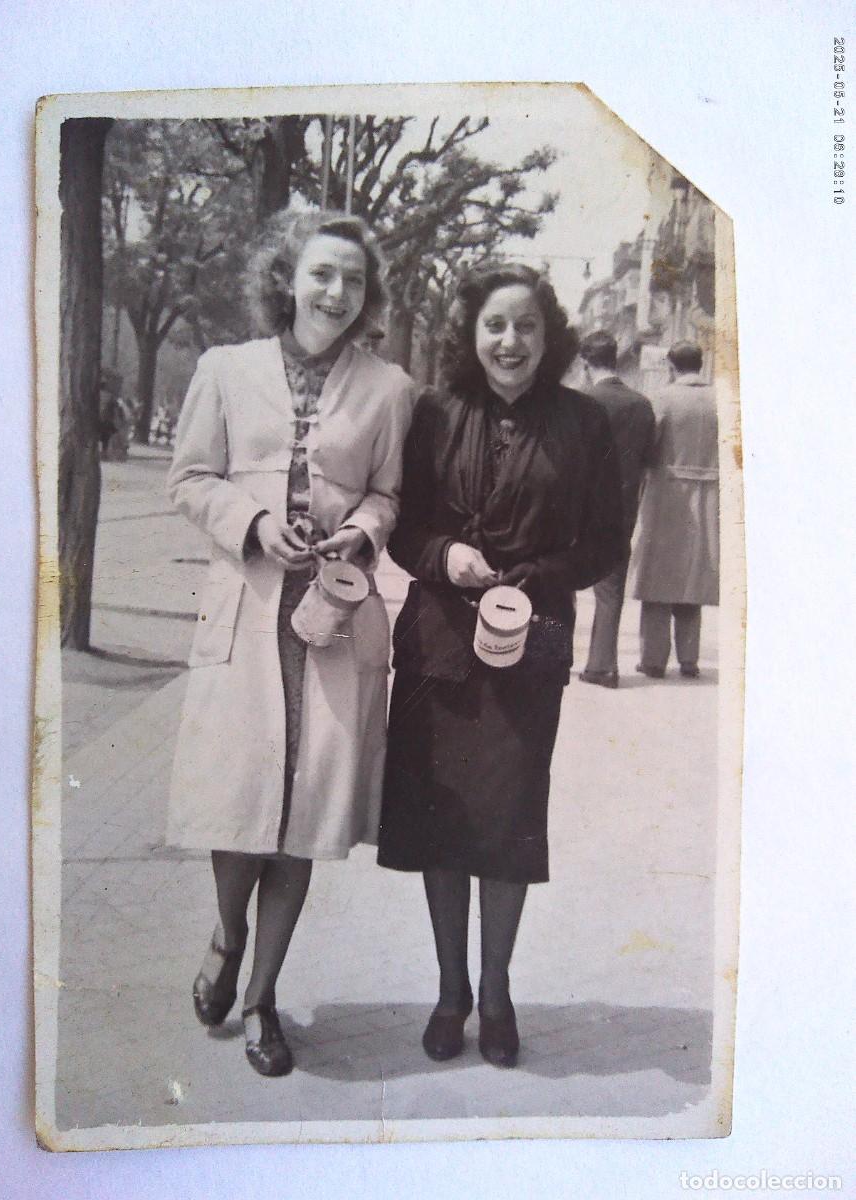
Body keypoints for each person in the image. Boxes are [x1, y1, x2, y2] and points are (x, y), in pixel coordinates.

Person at [166, 209, 414, 1076]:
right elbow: (190, 478)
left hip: (334, 621)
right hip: (245, 609)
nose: (336, 293)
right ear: (287, 278)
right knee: (238, 802)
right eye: (321, 274)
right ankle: (228, 936)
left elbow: (389, 495)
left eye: (352, 279)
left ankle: (265, 996)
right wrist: (254, 519)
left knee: (304, 816)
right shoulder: (225, 370)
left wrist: (363, 533)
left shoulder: (389, 388)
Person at [377, 264, 624, 1068]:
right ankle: (449, 992)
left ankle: (496, 991)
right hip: (438, 642)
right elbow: (403, 527)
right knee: (443, 824)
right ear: (471, 333)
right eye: (494, 325)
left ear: (548, 337)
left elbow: (606, 545)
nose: (509, 341)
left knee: (509, 820)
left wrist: (540, 575)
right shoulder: (435, 413)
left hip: (535, 637)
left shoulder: (585, 424)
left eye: (525, 326)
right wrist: (445, 556)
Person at [630, 340, 719, 679]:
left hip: (667, 491)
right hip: (709, 492)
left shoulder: (663, 398)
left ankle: (653, 660)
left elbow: (648, 445)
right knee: (693, 575)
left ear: (670, 365)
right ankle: (689, 659)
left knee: (658, 576)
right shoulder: (718, 400)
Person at [577, 330, 655, 688]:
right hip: (622, 508)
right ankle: (603, 666)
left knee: (559, 583)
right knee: (610, 591)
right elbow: (648, 459)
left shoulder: (579, 400)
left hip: (576, 508)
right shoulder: (641, 404)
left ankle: (554, 655)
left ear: (585, 362)